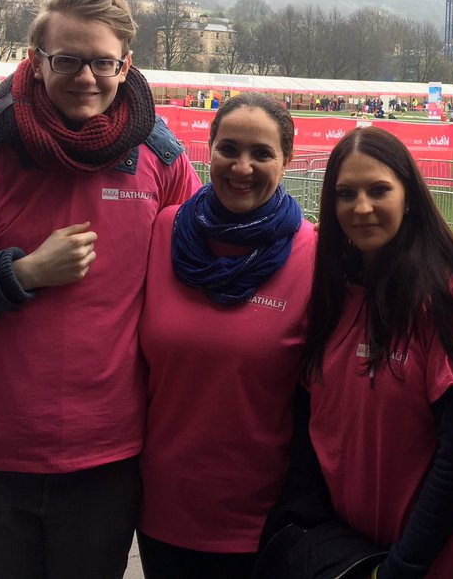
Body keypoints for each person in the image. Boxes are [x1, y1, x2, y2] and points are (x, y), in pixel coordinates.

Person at [0, 0, 202, 579]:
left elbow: (201, 278)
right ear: (36, 60)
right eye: (68, 60)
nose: (87, 77)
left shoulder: (161, 160)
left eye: (103, 62)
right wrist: (20, 272)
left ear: (126, 64)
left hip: (106, 463)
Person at [275, 128, 453, 577]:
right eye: (345, 193)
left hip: (426, 562)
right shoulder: (332, 290)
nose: (361, 207)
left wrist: (404, 565)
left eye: (379, 190)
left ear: (409, 196)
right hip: (348, 553)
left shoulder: (448, 292)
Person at [138, 93, 314, 578]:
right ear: (208, 149)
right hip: (163, 509)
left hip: (265, 519)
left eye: (262, 154)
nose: (242, 167)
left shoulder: (315, 257)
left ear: (288, 160)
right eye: (229, 149)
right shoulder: (162, 232)